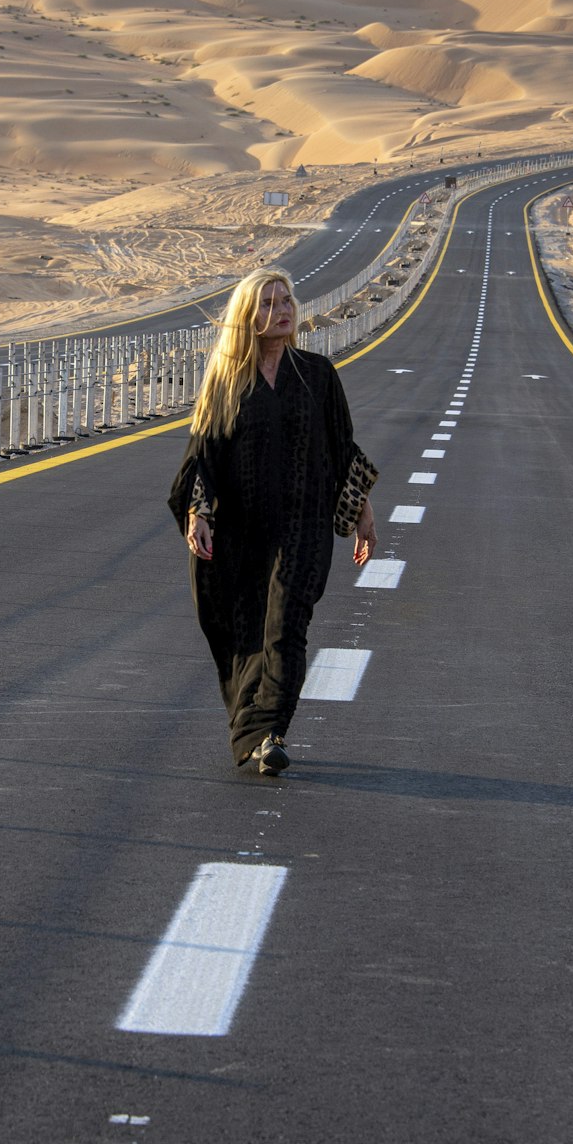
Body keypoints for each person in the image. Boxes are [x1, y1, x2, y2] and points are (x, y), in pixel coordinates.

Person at [168, 268, 377, 775]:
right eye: (266, 303)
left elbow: (341, 448)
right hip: (241, 530)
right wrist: (200, 513)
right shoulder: (225, 383)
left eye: (285, 299)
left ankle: (271, 734)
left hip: (302, 527)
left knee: (286, 627)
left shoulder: (318, 374)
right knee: (242, 627)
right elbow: (203, 459)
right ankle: (252, 729)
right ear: (247, 316)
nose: (280, 310)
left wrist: (362, 512)